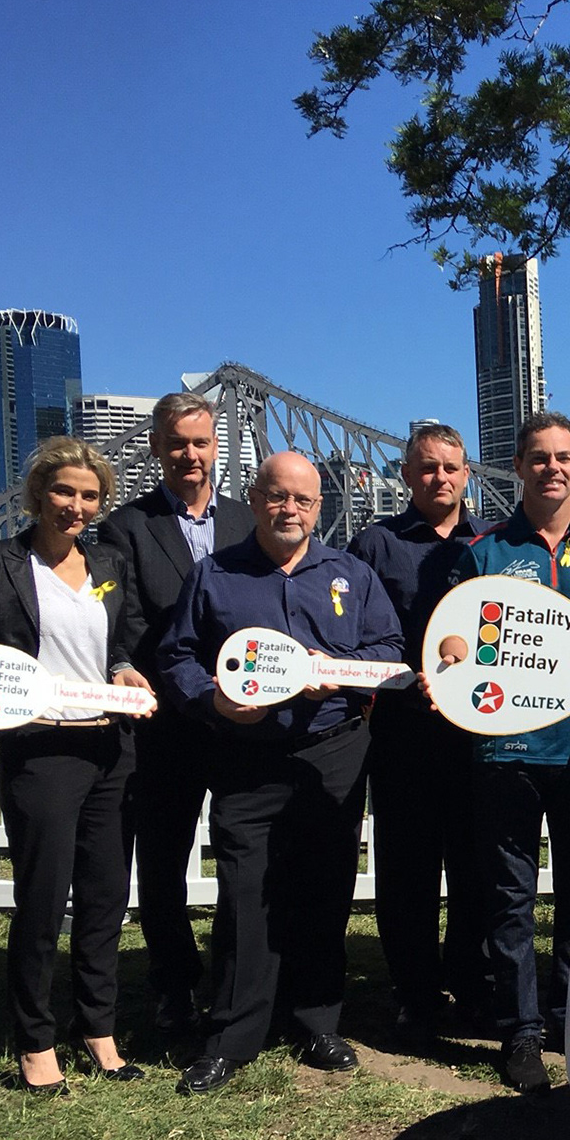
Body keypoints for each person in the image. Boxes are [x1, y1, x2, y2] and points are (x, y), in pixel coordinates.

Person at [158, 451, 403, 1096]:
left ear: (319, 507)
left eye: (302, 499)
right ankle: (231, 1035)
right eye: (276, 496)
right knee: (244, 891)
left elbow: (389, 649)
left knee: (325, 888)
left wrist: (339, 675)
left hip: (334, 750)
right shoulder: (215, 574)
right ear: (255, 498)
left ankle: (317, 1022)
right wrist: (211, 701)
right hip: (248, 754)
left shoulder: (350, 573)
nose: (288, 509)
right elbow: (178, 656)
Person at [443, 412, 570, 1093]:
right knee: (510, 897)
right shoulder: (484, 551)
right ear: (519, 466)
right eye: (539, 458)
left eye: (564, 457)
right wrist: (449, 663)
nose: (553, 468)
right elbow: (453, 640)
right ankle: (521, 1032)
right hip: (505, 751)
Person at [0, 437, 154, 1092]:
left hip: (110, 747)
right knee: (42, 901)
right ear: (38, 493)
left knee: (105, 899)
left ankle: (98, 1028)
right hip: (41, 751)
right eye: (64, 491)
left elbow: (121, 642)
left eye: (90, 495)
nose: (76, 505)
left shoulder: (109, 562)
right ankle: (35, 1040)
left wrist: (125, 669)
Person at [101, 391, 256, 1033]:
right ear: (156, 448)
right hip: (165, 721)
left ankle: (234, 980)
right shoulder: (126, 526)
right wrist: (185, 682)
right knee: (162, 860)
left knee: (244, 856)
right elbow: (128, 619)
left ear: (216, 445)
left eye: (201, 442)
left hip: (242, 720)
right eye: (177, 443)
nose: (190, 455)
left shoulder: (248, 519)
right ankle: (172, 981)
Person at [347, 423, 491, 1041]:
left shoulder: (492, 543)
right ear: (406, 475)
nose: (440, 478)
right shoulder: (374, 545)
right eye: (428, 467)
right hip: (403, 733)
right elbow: (351, 631)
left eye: (451, 467)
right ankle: (415, 993)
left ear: (467, 474)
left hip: (478, 733)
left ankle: (470, 983)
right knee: (407, 872)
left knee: (476, 868)